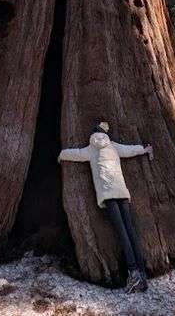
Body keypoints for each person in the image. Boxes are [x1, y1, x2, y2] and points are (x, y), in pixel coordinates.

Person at [58, 120, 153, 293]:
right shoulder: (114, 146)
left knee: (122, 233)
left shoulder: (91, 149)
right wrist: (144, 149)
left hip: (108, 197)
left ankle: (133, 273)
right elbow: (130, 150)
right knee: (130, 232)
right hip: (122, 194)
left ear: (93, 134)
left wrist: (62, 154)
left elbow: (76, 154)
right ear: (106, 134)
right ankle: (142, 274)